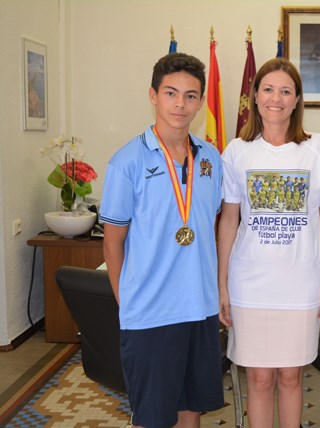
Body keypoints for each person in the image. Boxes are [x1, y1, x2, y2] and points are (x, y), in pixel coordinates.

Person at [217, 57, 320, 428]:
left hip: (300, 284)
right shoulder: (237, 151)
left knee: (291, 377)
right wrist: (221, 283)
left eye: (285, 91)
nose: (276, 98)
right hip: (249, 285)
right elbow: (228, 220)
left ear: (297, 100)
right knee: (259, 378)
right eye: (268, 89)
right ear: (255, 97)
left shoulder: (318, 149)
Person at [101, 52, 224, 428]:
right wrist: (130, 303)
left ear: (201, 102)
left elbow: (210, 226)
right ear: (153, 95)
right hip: (151, 314)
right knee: (153, 417)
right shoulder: (128, 162)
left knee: (191, 409)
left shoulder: (212, 159)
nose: (180, 104)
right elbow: (112, 243)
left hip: (200, 309)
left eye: (190, 95)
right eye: (171, 93)